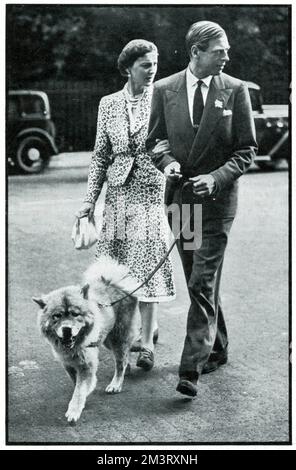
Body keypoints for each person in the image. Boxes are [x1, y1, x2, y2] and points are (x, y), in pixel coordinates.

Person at [147, 21, 257, 396]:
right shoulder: (164, 90)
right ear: (196, 52)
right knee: (199, 278)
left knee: (201, 280)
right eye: (219, 50)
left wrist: (216, 177)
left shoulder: (235, 90)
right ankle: (219, 347)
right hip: (181, 201)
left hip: (217, 202)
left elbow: (247, 150)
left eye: (227, 51)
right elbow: (155, 140)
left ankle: (189, 369)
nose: (227, 56)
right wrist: (168, 164)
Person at [76, 39, 176, 371]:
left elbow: (171, 143)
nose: (152, 70)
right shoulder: (109, 104)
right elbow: (100, 156)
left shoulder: (163, 97)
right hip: (117, 193)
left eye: (156, 63)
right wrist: (90, 201)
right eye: (146, 65)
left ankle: (146, 344)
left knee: (147, 264)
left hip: (150, 189)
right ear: (128, 68)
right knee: (116, 269)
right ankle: (137, 330)